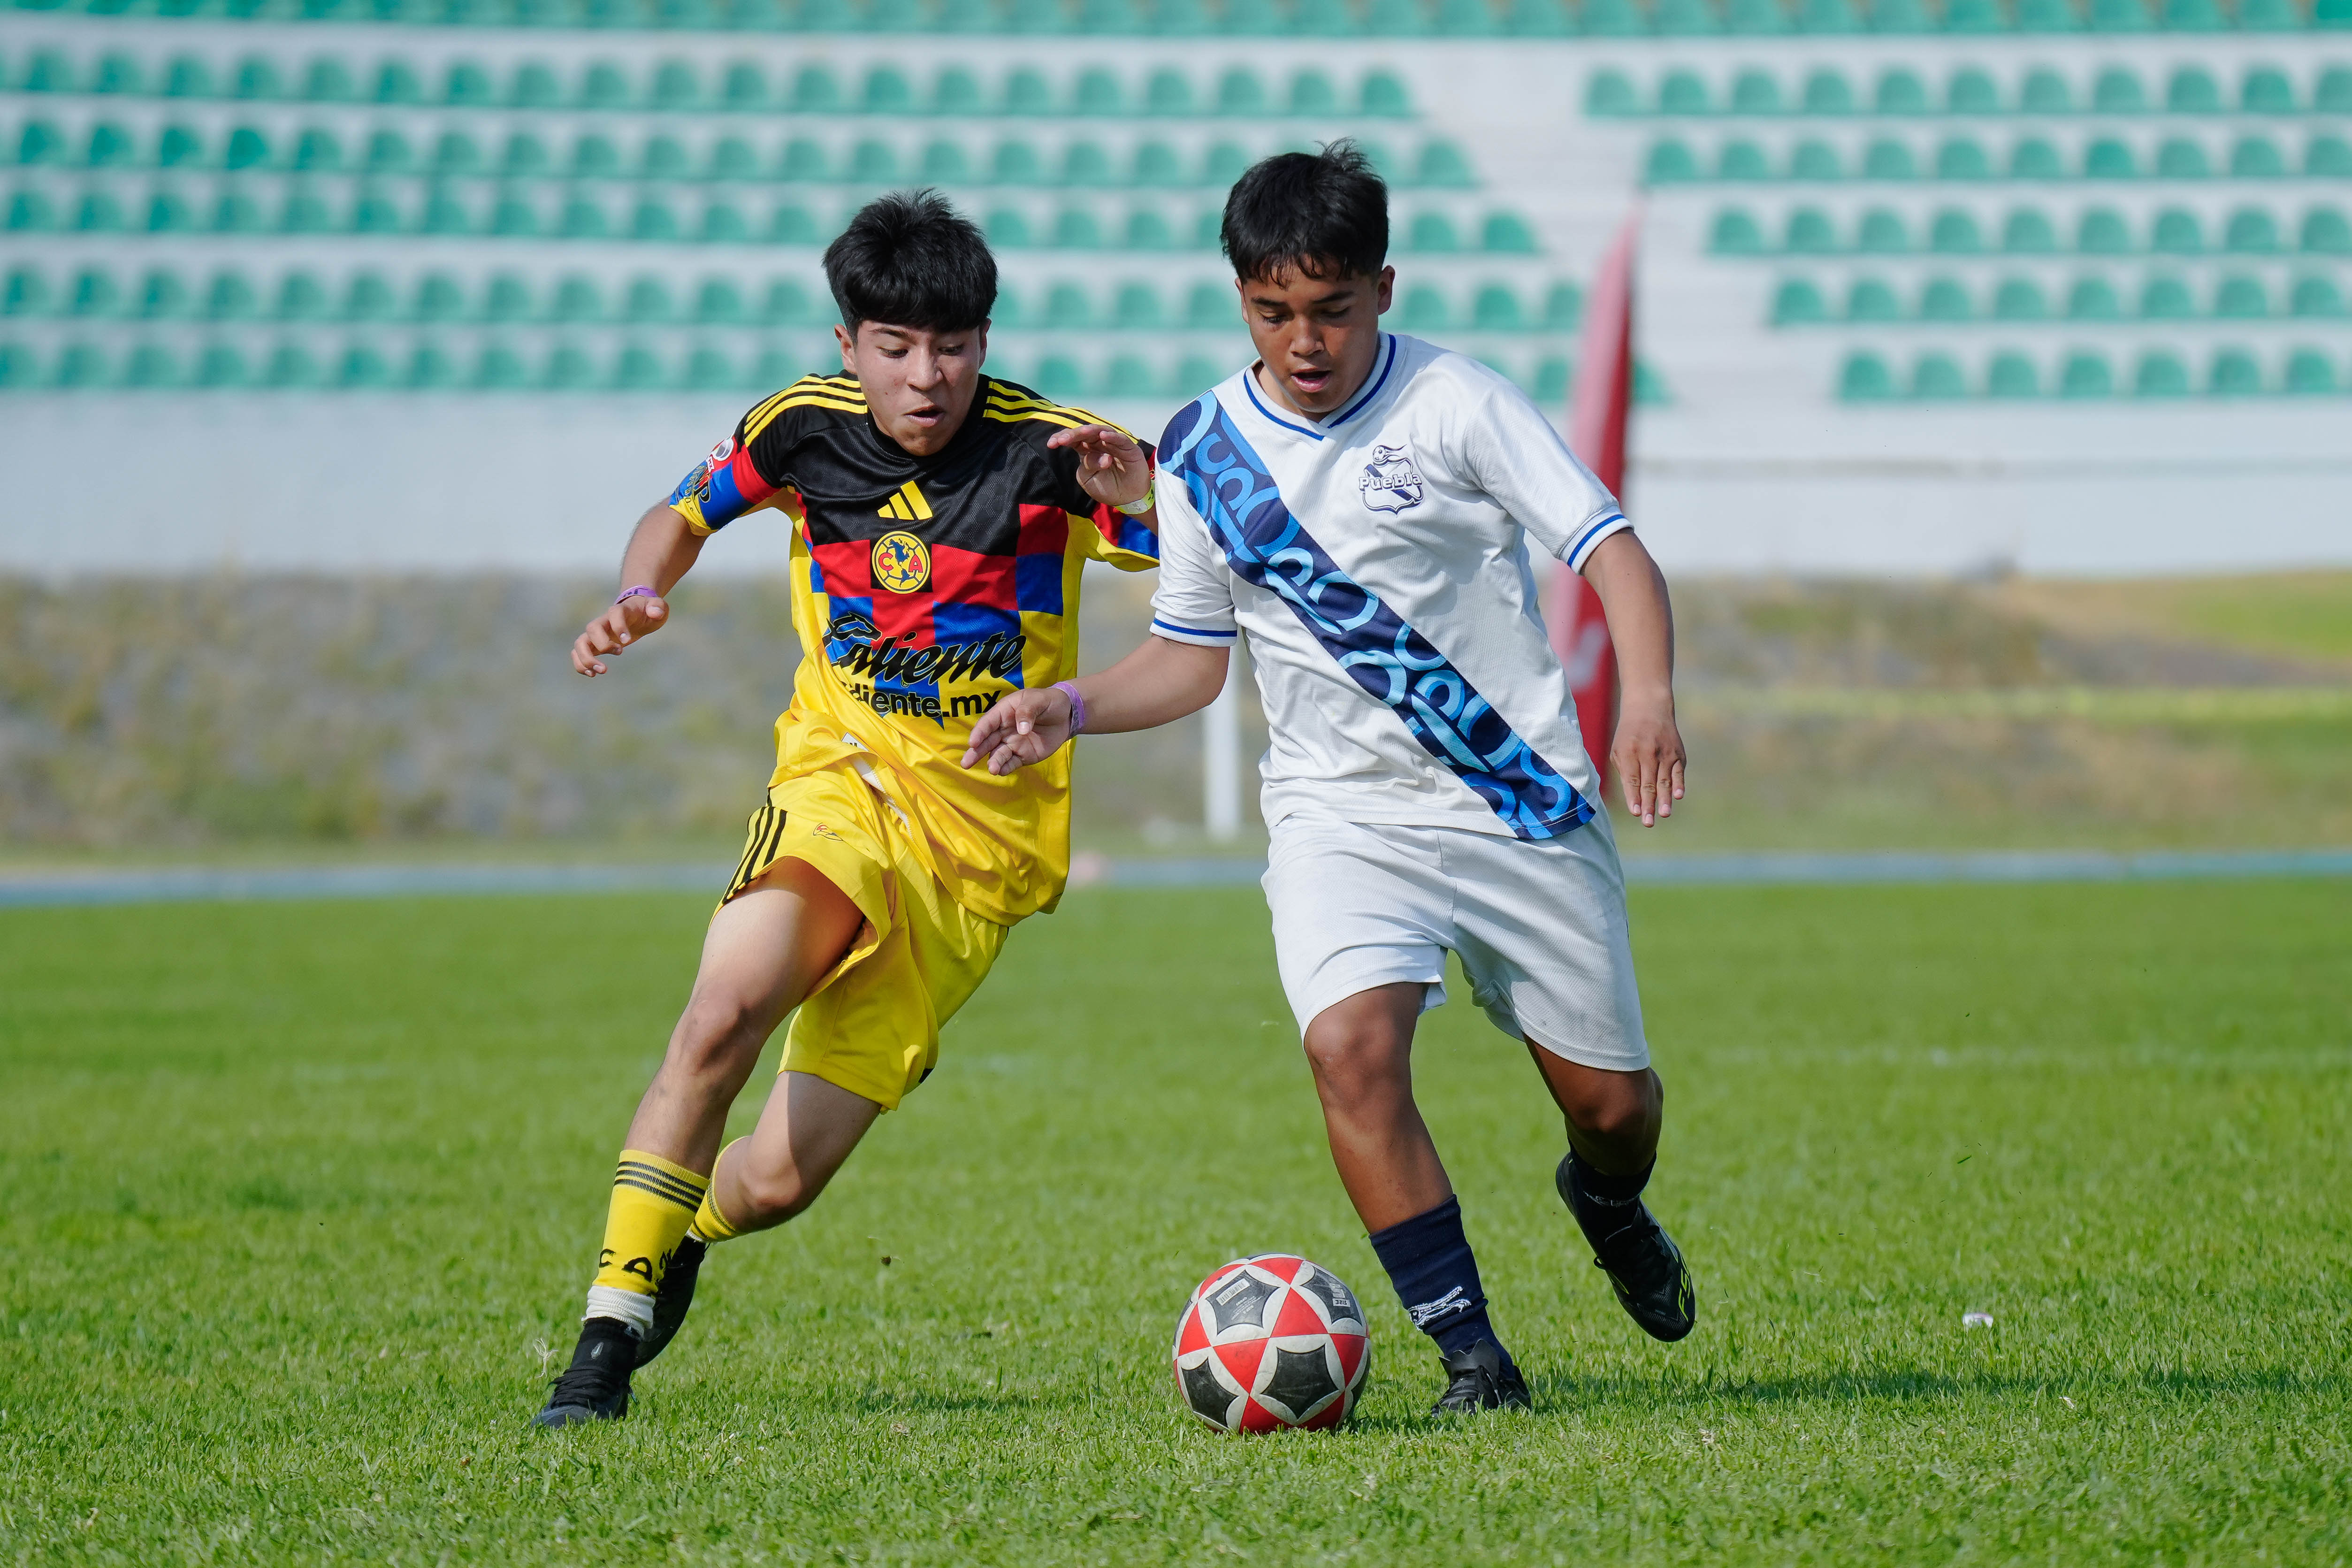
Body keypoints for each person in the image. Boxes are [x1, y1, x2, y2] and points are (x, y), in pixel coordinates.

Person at [962, 143, 1695, 1415]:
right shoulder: (1200, 449)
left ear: (1383, 288)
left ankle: (1607, 1201)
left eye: (1332, 310)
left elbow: (1613, 553)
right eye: (1273, 313)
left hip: (1513, 800)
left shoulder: (1456, 404)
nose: (1305, 340)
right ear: (1240, 297)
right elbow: (1189, 662)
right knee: (1351, 1049)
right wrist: (1069, 705)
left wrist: (1650, 699)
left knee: (1613, 1108)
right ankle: (1472, 1355)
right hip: (1338, 814)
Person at [535, 190, 1160, 1427]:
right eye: (893, 347)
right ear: (847, 344)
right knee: (720, 1014)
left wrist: (1142, 496)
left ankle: (688, 1231)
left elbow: (1187, 567)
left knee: (775, 1179)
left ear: (985, 341)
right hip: (840, 785)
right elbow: (681, 511)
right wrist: (640, 590)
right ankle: (601, 1345)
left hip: (973, 860)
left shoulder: (1057, 453)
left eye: (951, 348)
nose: (924, 377)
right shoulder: (800, 431)